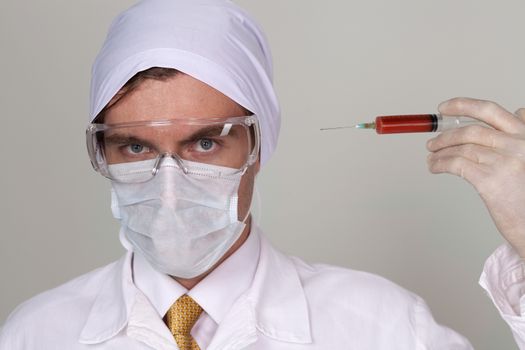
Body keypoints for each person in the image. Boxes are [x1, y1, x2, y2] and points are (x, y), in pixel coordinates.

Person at [1, 0, 525, 349]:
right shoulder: (38, 333)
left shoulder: (383, 327)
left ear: (259, 145)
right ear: (103, 152)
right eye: (134, 145)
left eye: (205, 142)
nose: (168, 184)